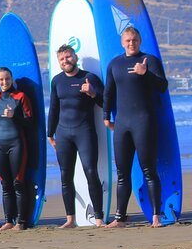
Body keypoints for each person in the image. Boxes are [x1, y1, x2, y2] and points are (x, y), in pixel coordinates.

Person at [103, 26, 168, 228]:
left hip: (144, 121)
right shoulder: (115, 64)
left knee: (148, 170)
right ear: (122, 42)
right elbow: (108, 92)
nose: (131, 43)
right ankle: (120, 217)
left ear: (140, 41)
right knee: (122, 173)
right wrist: (106, 116)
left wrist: (145, 73)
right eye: (128, 40)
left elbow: (162, 86)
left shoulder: (150, 61)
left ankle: (157, 216)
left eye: (135, 40)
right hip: (122, 123)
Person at [48, 45, 105, 227]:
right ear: (59, 62)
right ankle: (70, 219)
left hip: (85, 132)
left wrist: (93, 93)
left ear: (75, 57)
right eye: (62, 59)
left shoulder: (89, 78)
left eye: (68, 57)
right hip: (63, 133)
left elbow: (106, 102)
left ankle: (98, 218)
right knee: (66, 175)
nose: (66, 61)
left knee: (90, 171)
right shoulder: (57, 81)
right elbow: (54, 109)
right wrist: (50, 133)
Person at [0, 67, 32, 231]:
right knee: (5, 184)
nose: (4, 82)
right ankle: (8, 220)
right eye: (1, 79)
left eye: (7, 79)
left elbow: (30, 122)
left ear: (11, 79)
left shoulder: (20, 97)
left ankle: (20, 222)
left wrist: (15, 116)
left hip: (17, 144)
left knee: (18, 183)